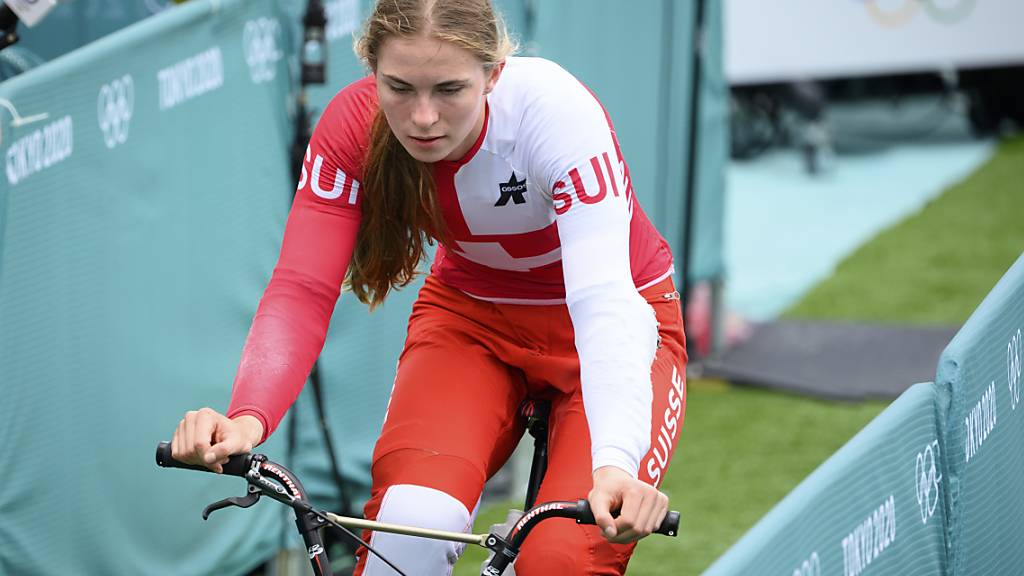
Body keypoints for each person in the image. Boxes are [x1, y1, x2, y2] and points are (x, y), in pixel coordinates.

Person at [169, 0, 687, 573]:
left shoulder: (553, 112)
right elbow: (301, 287)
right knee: (408, 529)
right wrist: (247, 417)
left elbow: (603, 301)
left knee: (559, 558)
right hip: (473, 322)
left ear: (494, 73)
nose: (421, 117)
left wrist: (615, 461)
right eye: (399, 88)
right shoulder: (350, 127)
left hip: (615, 325)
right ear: (371, 71)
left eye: (449, 89)